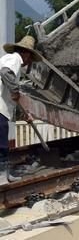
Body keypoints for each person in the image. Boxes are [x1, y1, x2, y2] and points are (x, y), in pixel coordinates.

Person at [1, 36, 41, 185]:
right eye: (30, 58)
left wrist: (24, 115)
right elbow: (5, 72)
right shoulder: (14, 58)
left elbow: (10, 97)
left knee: (2, 143)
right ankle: (2, 178)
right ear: (25, 53)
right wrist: (15, 90)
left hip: (2, 108)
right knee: (2, 144)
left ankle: (4, 174)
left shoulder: (10, 60)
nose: (28, 62)